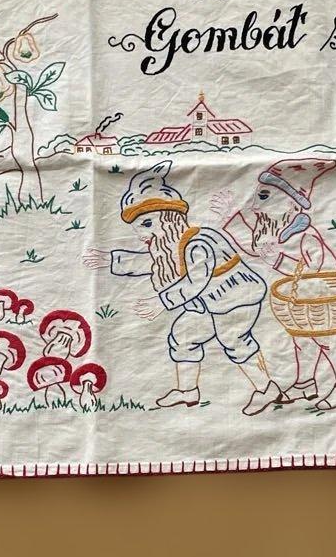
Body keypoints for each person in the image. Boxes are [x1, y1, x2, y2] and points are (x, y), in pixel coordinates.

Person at [85, 160, 284, 415]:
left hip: (236, 299)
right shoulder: (171, 248)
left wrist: (161, 302)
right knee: (183, 336)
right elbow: (152, 261)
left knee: (234, 339)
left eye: (147, 224)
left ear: (169, 218)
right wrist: (112, 260)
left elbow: (196, 282)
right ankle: (187, 391)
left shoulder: (199, 243)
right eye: (138, 229)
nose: (143, 235)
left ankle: (267, 389)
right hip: (209, 305)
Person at [222, 157, 336, 411]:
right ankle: (305, 383)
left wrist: (278, 260)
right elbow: (250, 244)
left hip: (327, 299)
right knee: (303, 341)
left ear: (289, 201)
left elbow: (314, 272)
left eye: (263, 196)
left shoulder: (305, 236)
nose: (254, 205)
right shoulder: (275, 231)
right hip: (301, 301)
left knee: (330, 340)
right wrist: (231, 214)